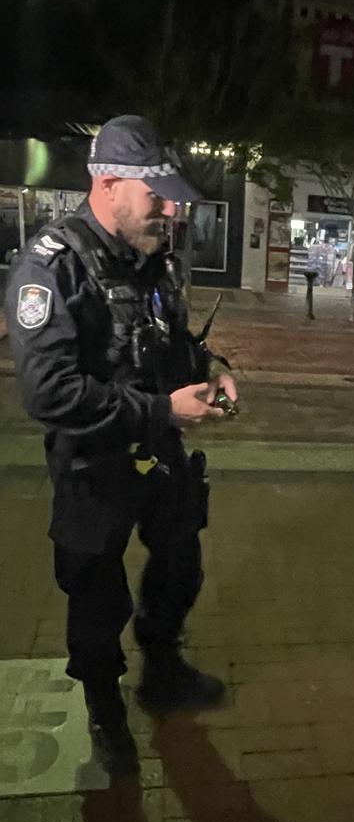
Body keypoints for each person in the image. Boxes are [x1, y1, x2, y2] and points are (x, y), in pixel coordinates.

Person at [5, 116, 238, 779]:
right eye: (156, 195)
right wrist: (162, 408)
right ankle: (105, 708)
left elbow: (173, 342)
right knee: (95, 595)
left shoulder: (154, 258)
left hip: (158, 456)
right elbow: (50, 394)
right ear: (107, 184)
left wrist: (213, 368)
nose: (170, 210)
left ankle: (162, 667)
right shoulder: (51, 267)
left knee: (179, 561)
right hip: (96, 466)